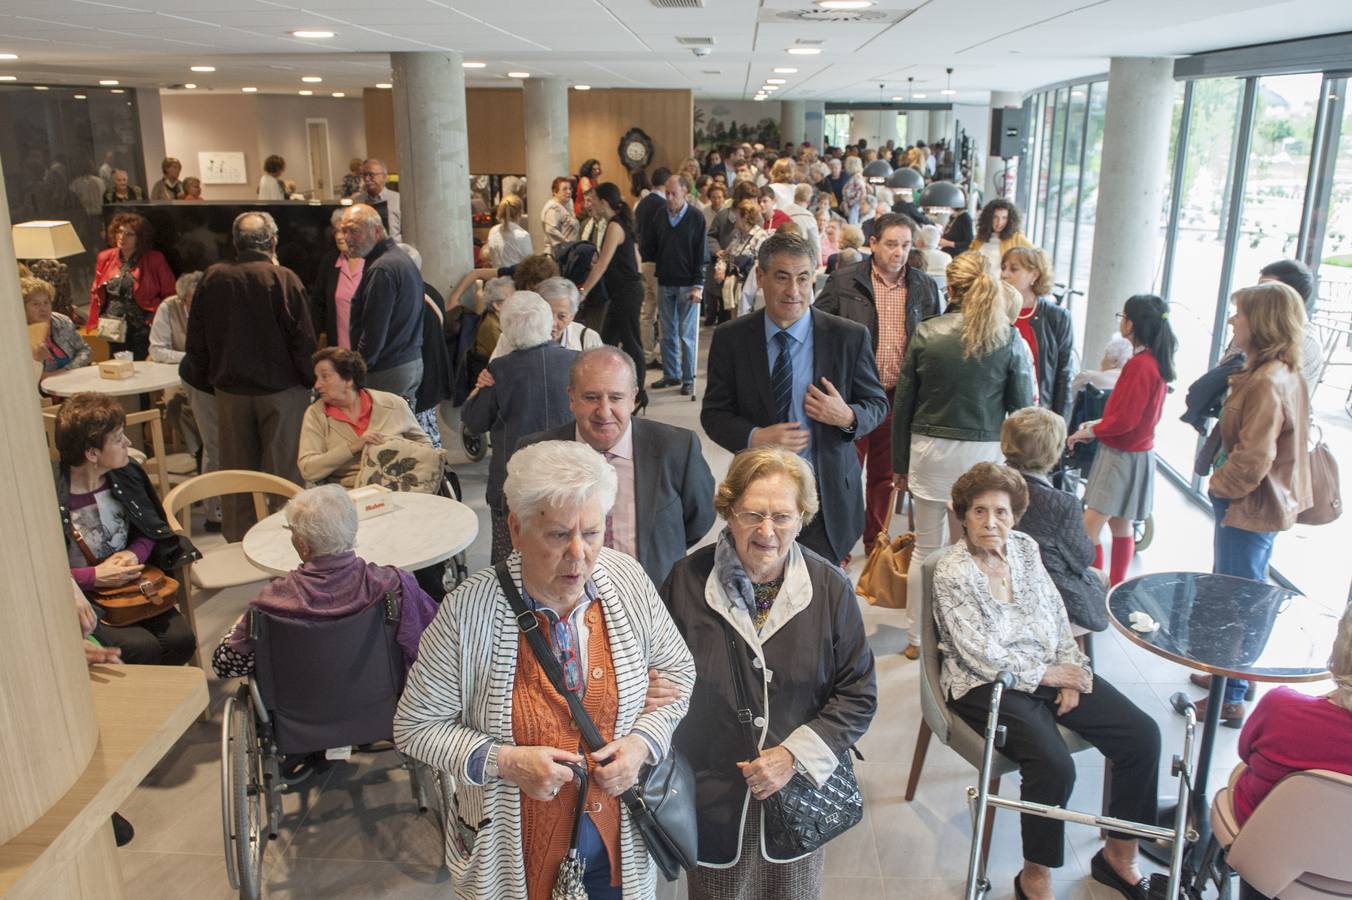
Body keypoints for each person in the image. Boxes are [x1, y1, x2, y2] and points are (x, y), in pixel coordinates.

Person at [393, 440, 696, 900]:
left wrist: (642, 743)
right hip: (512, 854)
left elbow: (678, 671)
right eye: (558, 535)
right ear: (516, 529)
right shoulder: (466, 612)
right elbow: (415, 726)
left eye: (592, 533)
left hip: (619, 845)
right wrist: (506, 762)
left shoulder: (626, 579)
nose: (579, 555)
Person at [935, 462, 1160, 900]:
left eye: (1000, 511)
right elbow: (977, 652)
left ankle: (1119, 855)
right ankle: (1034, 874)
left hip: (1050, 668)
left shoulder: (1024, 547)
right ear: (963, 516)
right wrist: (1049, 675)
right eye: (979, 511)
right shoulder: (951, 570)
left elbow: (1054, 614)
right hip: (984, 683)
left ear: (1015, 515)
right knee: (1054, 764)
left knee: (1143, 736)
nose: (991, 522)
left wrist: (1070, 668)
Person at [661, 446, 876, 900]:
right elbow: (657, 675)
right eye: (752, 514)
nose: (766, 531)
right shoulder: (685, 581)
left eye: (782, 516)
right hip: (712, 793)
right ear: (729, 510)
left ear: (802, 517)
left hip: (797, 796)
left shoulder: (830, 589)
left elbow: (857, 693)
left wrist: (793, 756)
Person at [702, 233, 889, 565]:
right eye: (782, 277)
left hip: (827, 500)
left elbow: (877, 404)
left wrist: (847, 416)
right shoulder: (732, 339)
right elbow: (714, 414)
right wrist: (754, 437)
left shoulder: (848, 337)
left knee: (822, 603)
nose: (794, 291)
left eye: (803, 278)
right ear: (760, 277)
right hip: (761, 503)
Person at [891, 251, 1033, 659]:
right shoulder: (1006, 336)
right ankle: (964, 634)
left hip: (928, 450)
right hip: (983, 455)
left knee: (925, 549)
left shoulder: (927, 332)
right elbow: (1021, 410)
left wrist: (899, 464)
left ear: (948, 289)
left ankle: (916, 639)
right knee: (974, 548)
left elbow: (904, 404)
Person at [1191, 282, 1313, 725]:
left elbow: (1254, 457)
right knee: (1244, 588)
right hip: (1256, 505)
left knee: (1237, 597)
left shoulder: (1265, 380)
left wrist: (1220, 486)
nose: (1232, 320)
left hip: (1247, 505)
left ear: (1260, 322)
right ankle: (1233, 678)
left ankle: (1232, 691)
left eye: (1239, 313)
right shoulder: (1281, 371)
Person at [520, 346, 716, 588]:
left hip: (651, 597)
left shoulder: (676, 449)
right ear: (571, 397)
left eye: (615, 397)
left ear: (633, 398)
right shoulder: (537, 454)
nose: (604, 412)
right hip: (566, 598)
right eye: (591, 397)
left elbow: (700, 519)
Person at [180, 212, 316, 540]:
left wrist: (207, 380)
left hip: (230, 391)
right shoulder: (283, 279)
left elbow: (195, 337)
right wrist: (310, 381)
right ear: (272, 241)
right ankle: (289, 540)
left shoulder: (213, 278)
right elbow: (303, 339)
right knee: (285, 473)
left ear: (235, 243)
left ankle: (240, 540)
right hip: (282, 391)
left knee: (237, 474)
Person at [210, 484, 437, 677]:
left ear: (302, 544)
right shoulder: (394, 585)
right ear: (353, 530)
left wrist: (237, 626)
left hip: (298, 719)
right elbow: (435, 638)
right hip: (385, 708)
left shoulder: (272, 603)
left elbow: (225, 666)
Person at [817, 213, 943, 555]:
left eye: (905, 245)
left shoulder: (924, 286)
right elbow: (817, 329)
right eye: (891, 244)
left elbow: (936, 340)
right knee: (845, 474)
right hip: (852, 398)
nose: (899, 252)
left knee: (885, 478)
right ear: (872, 244)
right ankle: (839, 546)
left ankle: (876, 546)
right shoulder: (845, 282)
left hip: (898, 399)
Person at [55, 393, 199, 666]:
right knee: (139, 649)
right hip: (83, 593)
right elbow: (40, 567)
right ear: (91, 453)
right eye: (119, 438)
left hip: (134, 583)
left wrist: (133, 555)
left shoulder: (127, 472)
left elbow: (151, 528)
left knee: (181, 640)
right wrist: (93, 576)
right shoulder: (50, 492)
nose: (128, 443)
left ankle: (166, 703)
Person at [1067, 294, 1176, 586]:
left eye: (1123, 316)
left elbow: (1124, 420)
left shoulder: (1140, 365)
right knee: (1121, 524)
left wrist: (1090, 431)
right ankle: (1115, 587)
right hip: (1138, 453)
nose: (1121, 321)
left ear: (1134, 323)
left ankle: (1098, 587)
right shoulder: (1156, 362)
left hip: (1120, 455)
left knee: (1090, 528)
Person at [462, 292, 578, 562]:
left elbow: (474, 420)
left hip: (513, 481)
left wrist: (477, 390)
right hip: (569, 478)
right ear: (548, 323)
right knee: (568, 553)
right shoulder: (578, 362)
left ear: (507, 329)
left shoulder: (500, 369)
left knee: (510, 560)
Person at [1002, 408, 1108, 632]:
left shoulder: (987, 483)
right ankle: (1075, 656)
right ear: (1054, 451)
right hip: (1042, 597)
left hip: (995, 584)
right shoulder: (1062, 503)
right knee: (1100, 579)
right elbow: (1083, 558)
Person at [297, 348, 430, 488]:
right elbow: (308, 470)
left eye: (325, 376)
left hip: (399, 490)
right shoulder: (316, 415)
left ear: (348, 380)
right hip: (348, 496)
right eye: (317, 378)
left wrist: (396, 451)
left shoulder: (393, 404)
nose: (317, 385)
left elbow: (426, 447)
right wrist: (353, 447)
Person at [340, 203, 424, 404]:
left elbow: (374, 332)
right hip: (408, 362)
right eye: (343, 231)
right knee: (399, 431)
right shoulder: (400, 258)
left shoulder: (382, 268)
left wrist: (358, 370)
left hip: (388, 369)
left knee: (384, 433)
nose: (346, 238)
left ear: (377, 230)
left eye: (354, 231)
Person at [579, 182, 649, 411]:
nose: (592, 204)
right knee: (607, 342)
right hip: (625, 290)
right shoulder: (620, 224)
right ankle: (608, 388)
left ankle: (639, 396)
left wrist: (583, 291)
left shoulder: (615, 226)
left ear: (604, 202)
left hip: (626, 292)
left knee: (630, 342)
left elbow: (601, 265)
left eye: (594, 200)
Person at [646, 173, 706, 396]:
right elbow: (653, 245)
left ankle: (688, 378)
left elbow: (701, 253)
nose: (669, 198)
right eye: (667, 193)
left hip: (687, 284)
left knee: (686, 335)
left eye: (673, 194)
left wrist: (698, 284)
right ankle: (672, 374)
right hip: (665, 281)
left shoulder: (696, 217)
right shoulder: (660, 215)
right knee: (667, 332)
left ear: (685, 193)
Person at [88, 212, 176, 360]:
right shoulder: (105, 257)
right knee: (117, 365)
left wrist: (154, 320)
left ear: (139, 238)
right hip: (113, 324)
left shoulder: (154, 259)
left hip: (142, 324)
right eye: (120, 232)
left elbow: (170, 293)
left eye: (129, 234)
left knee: (142, 367)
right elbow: (96, 290)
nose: (122, 237)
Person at [1001, 246, 1075, 419]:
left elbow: (1063, 375)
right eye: (1003, 267)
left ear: (1034, 275)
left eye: (1013, 269)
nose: (1004, 274)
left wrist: (1060, 423)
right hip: (997, 415)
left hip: (1037, 414)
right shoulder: (994, 311)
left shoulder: (1057, 317)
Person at [310, 207, 364, 349]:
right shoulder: (330, 261)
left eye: (344, 231)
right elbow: (318, 304)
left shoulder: (372, 262)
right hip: (339, 351)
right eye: (336, 232)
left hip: (370, 351)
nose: (339, 237)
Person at [634, 168, 671, 371]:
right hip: (658, 263)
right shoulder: (662, 205)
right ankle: (666, 357)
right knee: (663, 312)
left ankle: (647, 355)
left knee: (647, 311)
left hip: (644, 260)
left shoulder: (642, 204)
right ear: (666, 185)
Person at [24, 275, 91, 379]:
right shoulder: (19, 334)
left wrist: (66, 370)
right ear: (23, 308)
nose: (43, 309)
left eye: (46, 302)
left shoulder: (62, 321)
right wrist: (41, 376)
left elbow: (85, 350)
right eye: (36, 304)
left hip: (74, 379)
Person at [970, 199, 1031, 275]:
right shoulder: (980, 237)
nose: (999, 222)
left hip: (1000, 285)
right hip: (979, 283)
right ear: (989, 218)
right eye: (995, 217)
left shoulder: (1016, 237)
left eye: (1004, 218)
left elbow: (1037, 256)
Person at [359, 157, 402, 241]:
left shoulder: (398, 199)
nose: (367, 179)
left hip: (394, 250)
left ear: (384, 176)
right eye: (364, 175)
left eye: (371, 175)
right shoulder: (358, 201)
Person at [486, 195, 534, 268]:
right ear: (520, 212)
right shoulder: (522, 235)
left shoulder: (493, 231)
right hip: (517, 278)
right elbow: (529, 264)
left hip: (496, 276)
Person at [541, 176, 580, 251]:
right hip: (558, 254)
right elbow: (551, 230)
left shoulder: (568, 204)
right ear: (555, 192)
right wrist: (568, 243)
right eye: (565, 189)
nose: (569, 192)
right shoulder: (553, 208)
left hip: (568, 250)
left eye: (570, 189)